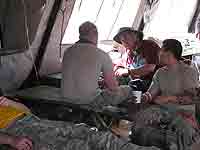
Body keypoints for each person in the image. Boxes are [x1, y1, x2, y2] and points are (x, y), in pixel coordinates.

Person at [0, 95, 161, 150]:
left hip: (32, 120)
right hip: (14, 129)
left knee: (88, 132)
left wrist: (9, 103)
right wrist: (11, 140)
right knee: (73, 146)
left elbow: (27, 110)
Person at [130, 39, 200, 149]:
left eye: (161, 50)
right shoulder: (160, 72)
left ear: (169, 53)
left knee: (184, 135)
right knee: (138, 123)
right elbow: (151, 93)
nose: (158, 53)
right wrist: (142, 98)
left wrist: (170, 98)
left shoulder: (189, 71)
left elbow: (193, 98)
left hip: (183, 113)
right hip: (163, 111)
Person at [61, 22, 132, 109]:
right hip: (88, 100)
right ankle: (132, 111)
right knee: (128, 89)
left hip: (65, 96)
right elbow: (113, 88)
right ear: (95, 33)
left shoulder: (68, 51)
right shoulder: (102, 54)